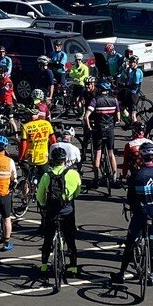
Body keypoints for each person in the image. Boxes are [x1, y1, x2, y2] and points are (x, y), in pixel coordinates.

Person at [115, 142, 153, 286]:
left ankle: (121, 273)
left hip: (140, 212)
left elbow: (130, 197)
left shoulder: (137, 175)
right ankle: (151, 274)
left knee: (130, 242)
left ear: (141, 156)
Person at [36, 145, 81, 276]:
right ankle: (73, 268)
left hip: (52, 212)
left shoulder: (46, 176)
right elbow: (77, 192)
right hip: (67, 212)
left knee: (47, 239)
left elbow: (39, 196)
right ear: (64, 160)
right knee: (71, 240)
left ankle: (44, 266)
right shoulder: (73, 174)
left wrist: (44, 205)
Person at [84, 80, 121, 185]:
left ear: (99, 89)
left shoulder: (95, 100)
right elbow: (118, 117)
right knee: (110, 153)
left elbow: (86, 116)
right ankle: (114, 176)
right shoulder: (114, 100)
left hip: (98, 129)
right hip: (110, 129)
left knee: (97, 155)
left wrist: (89, 126)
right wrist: (115, 122)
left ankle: (96, 179)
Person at [117, 55, 143, 126]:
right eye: (129, 62)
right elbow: (124, 76)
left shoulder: (137, 72)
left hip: (134, 94)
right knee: (122, 106)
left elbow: (135, 87)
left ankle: (136, 129)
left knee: (132, 114)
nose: (130, 64)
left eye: (132, 62)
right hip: (128, 93)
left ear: (136, 63)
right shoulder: (130, 70)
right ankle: (129, 122)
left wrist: (124, 85)